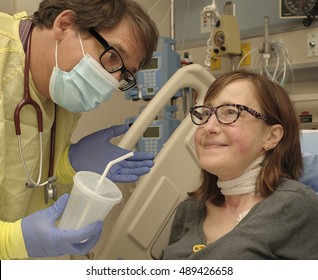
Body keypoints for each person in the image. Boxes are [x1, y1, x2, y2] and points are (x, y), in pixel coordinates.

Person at [0, 0, 158, 259]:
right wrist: (11, 241)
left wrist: (67, 164)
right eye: (113, 56)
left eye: (125, 74)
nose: (112, 81)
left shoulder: (62, 86)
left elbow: (25, 174)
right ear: (65, 24)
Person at [161, 70, 318, 260]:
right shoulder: (189, 210)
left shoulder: (296, 207)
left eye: (230, 112)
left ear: (271, 136)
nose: (209, 127)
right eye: (205, 113)